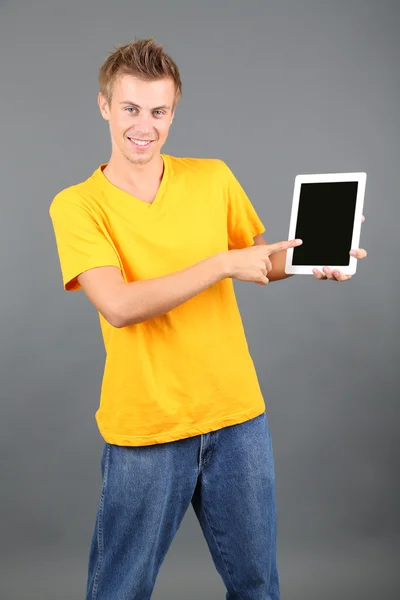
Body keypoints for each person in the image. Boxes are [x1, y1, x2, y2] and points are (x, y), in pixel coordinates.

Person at [48, 39, 367, 600]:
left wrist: (308, 259)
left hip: (237, 419)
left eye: (158, 111)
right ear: (104, 106)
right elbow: (118, 306)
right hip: (147, 429)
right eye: (129, 108)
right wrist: (219, 263)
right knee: (119, 590)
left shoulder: (213, 177)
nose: (143, 126)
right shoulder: (77, 205)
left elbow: (257, 261)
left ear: (173, 112)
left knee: (257, 587)